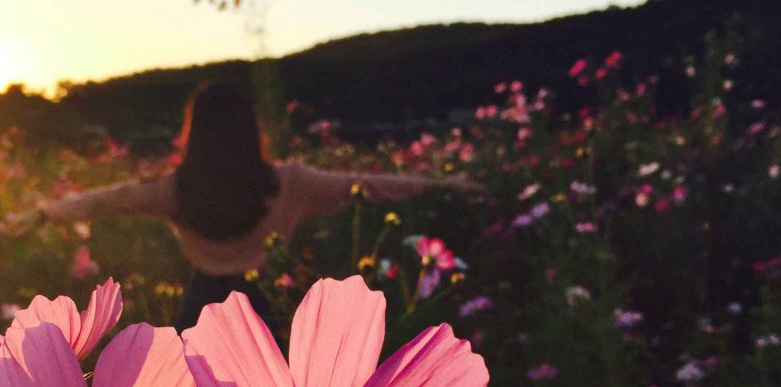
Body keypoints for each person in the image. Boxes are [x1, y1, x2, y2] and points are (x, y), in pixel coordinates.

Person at [38, 84, 480, 331]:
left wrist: (46, 213)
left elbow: (108, 200)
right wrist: (443, 183)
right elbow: (369, 186)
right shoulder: (290, 182)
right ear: (251, 130)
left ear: (196, 134)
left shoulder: (176, 188)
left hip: (201, 305)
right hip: (270, 303)